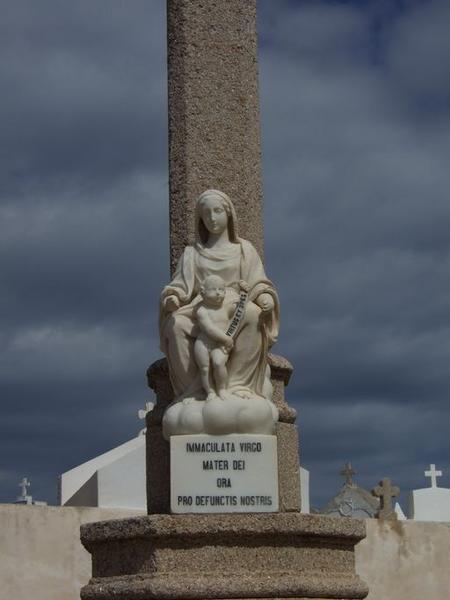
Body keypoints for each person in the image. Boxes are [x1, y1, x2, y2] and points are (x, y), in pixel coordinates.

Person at [159, 189, 280, 436]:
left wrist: (265, 297)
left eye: (217, 211)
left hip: (235, 307)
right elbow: (180, 287)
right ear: (199, 219)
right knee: (175, 324)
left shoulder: (245, 250)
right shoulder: (192, 253)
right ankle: (193, 390)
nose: (212, 218)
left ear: (229, 214)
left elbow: (258, 282)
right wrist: (172, 299)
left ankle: (238, 385)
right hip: (202, 310)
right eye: (206, 214)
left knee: (254, 314)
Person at [194, 275, 234, 401]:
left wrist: (244, 293)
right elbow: (209, 329)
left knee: (218, 363)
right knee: (205, 369)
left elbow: (240, 311)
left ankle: (222, 389)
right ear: (203, 292)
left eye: (221, 290)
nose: (218, 293)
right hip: (203, 344)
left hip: (219, 345)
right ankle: (210, 391)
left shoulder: (226, 307)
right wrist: (226, 339)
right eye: (213, 289)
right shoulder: (202, 310)